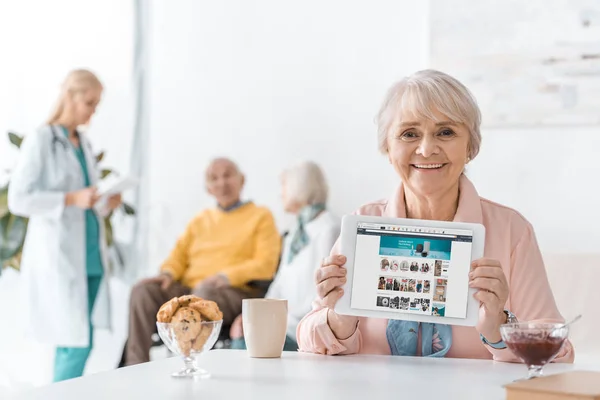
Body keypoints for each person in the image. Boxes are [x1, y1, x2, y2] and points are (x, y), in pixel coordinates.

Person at [296, 69, 575, 362]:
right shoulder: (361, 223)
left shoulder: (511, 231)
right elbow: (307, 339)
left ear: (470, 146)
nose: (427, 149)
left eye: (446, 132)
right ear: (388, 149)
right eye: (409, 134)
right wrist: (340, 318)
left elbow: (559, 353)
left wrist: (500, 328)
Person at [8, 69, 122, 381]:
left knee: (78, 340)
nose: (93, 111)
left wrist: (104, 203)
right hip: (60, 257)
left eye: (97, 104)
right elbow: (19, 199)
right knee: (75, 342)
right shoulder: (41, 140)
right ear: (69, 96)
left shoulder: (82, 143)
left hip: (90, 256)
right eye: (89, 102)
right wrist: (70, 199)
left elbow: (88, 198)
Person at [123, 158, 281, 365]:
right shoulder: (200, 220)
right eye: (214, 178)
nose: (222, 183)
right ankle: (135, 367)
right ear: (208, 189)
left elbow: (266, 264)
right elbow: (178, 255)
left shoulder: (261, 216)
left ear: (242, 180)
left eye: (228, 175)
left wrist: (224, 277)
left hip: (233, 290)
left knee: (202, 297)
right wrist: (168, 273)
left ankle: (191, 365)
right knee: (143, 291)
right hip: (191, 288)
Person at [229, 161, 340, 351]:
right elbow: (279, 284)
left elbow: (324, 295)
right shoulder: (296, 233)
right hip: (283, 325)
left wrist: (271, 322)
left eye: (284, 186)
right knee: (242, 335)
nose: (281, 193)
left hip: (304, 331)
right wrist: (252, 315)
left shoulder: (329, 229)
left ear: (300, 187)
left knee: (243, 346)